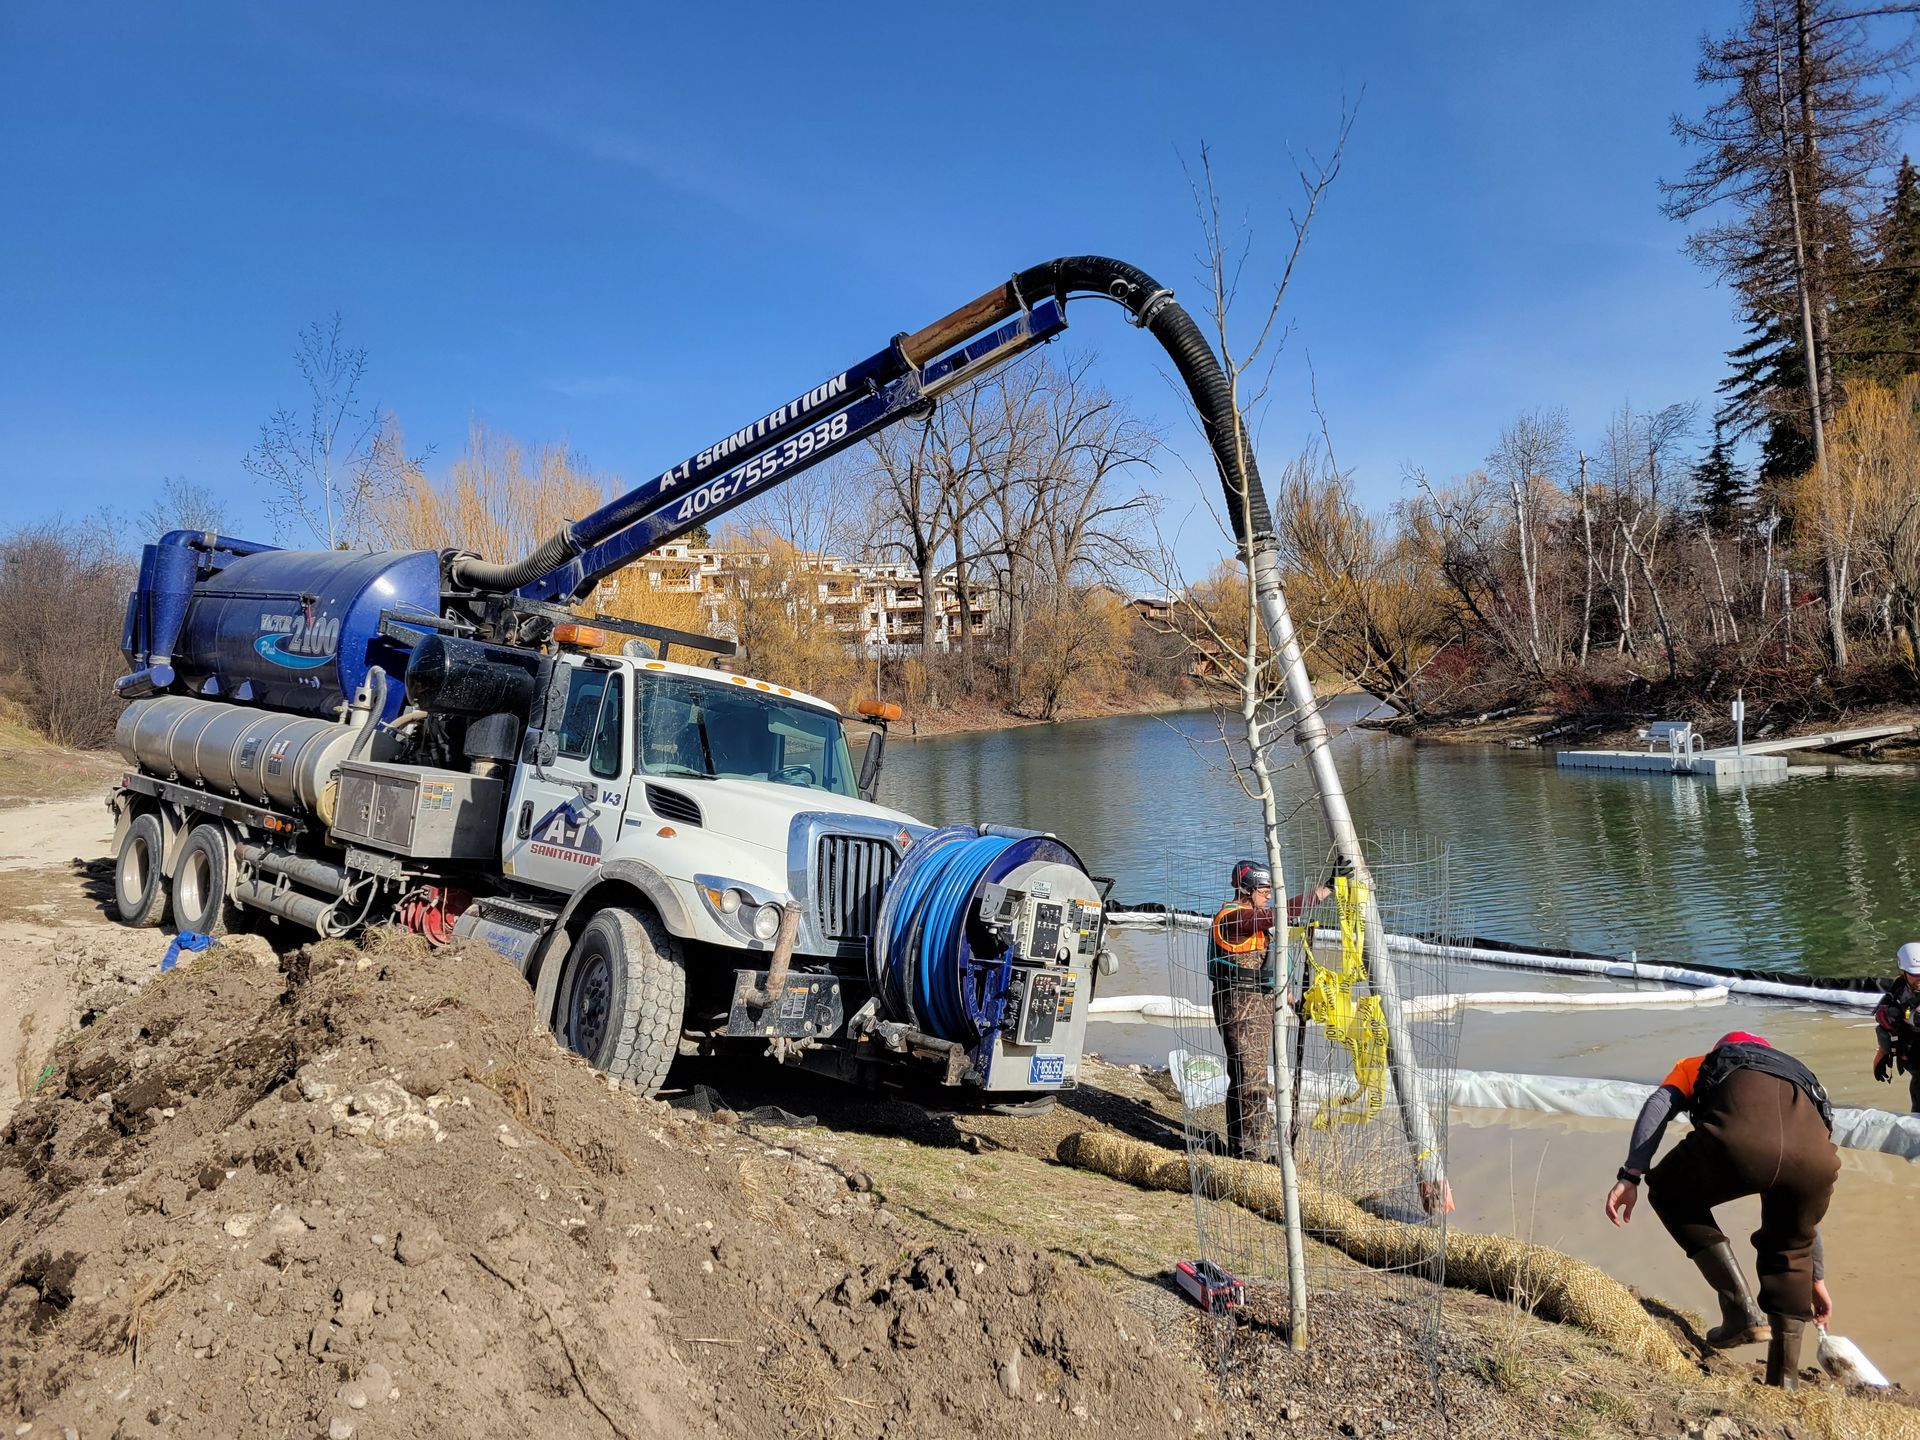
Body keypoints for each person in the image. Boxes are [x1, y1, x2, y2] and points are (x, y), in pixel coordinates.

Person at [1602, 1031, 1839, 1390]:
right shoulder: (1798, 1075)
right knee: (1790, 1248)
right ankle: (1784, 1382)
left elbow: (1658, 1105)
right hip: (1817, 1163)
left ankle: (1740, 1309)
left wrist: (1631, 1173)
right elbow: (1802, 1219)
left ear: (1722, 1050)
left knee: (1668, 1190)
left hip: (1735, 1143)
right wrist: (1815, 1278)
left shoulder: (1699, 1064)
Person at [1208, 860, 1332, 1161]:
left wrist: (1292, 1000)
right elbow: (1274, 916)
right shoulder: (1233, 920)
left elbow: (1265, 969)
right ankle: (1247, 1152)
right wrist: (1321, 893)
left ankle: (1247, 1146)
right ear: (1247, 890)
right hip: (1238, 1004)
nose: (1267, 896)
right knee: (1249, 1078)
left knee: (1253, 1077)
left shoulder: (1255, 922)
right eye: (1263, 890)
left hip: (1260, 1005)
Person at [1872, 942, 1920, 1113]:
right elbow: (1884, 1023)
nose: (1919, 978)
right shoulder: (1898, 990)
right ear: (1903, 972)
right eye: (1915, 974)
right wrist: (1882, 1054)